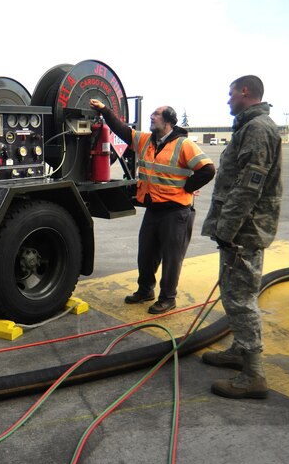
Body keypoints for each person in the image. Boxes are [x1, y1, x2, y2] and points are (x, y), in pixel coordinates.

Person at [89, 99, 216, 314]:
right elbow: (121, 130)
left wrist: (187, 187)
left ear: (168, 121)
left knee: (172, 258)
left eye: (156, 115)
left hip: (176, 212)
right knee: (146, 254)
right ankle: (145, 290)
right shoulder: (146, 140)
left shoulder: (184, 144)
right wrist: (104, 110)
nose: (151, 117)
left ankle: (168, 298)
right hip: (154, 209)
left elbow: (208, 170)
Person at [200, 75, 282, 400]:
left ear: (245, 92)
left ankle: (253, 374)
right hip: (241, 228)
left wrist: (227, 230)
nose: (228, 99)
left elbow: (249, 187)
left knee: (241, 298)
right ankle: (240, 350)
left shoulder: (258, 128)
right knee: (233, 292)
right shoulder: (249, 126)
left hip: (243, 230)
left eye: (231, 93)